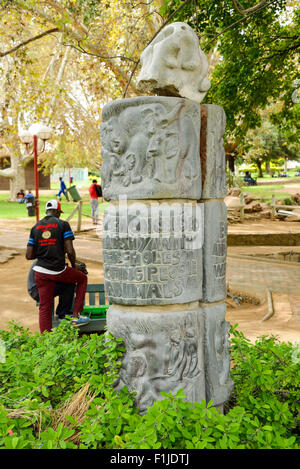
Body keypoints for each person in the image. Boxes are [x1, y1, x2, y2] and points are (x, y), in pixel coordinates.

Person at [25, 199, 89, 333]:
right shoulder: (62, 224)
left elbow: (29, 255)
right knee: (82, 278)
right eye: (59, 212)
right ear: (56, 211)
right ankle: (75, 315)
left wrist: (44, 249)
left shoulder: (35, 227)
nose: (60, 215)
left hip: (40, 272)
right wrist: (73, 265)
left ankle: (46, 340)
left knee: (45, 307)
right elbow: (70, 250)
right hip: (57, 270)